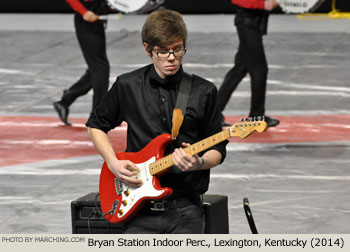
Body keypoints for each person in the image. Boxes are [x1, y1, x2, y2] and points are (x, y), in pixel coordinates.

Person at [86, 7, 227, 234]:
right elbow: (95, 125)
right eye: (162, 51)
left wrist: (199, 163)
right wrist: (113, 162)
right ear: (147, 49)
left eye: (177, 49)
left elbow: (218, 148)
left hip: (186, 210)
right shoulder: (128, 85)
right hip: (137, 208)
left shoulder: (204, 91)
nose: (171, 58)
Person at [219, 0, 279, 127]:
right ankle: (256, 117)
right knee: (259, 70)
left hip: (253, 22)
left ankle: (213, 113)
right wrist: (262, 4)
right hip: (248, 23)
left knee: (240, 69)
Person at [53, 0, 110, 126]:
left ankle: (65, 101)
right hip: (86, 18)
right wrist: (83, 11)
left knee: (96, 68)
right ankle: (98, 116)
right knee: (100, 67)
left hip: (96, 16)